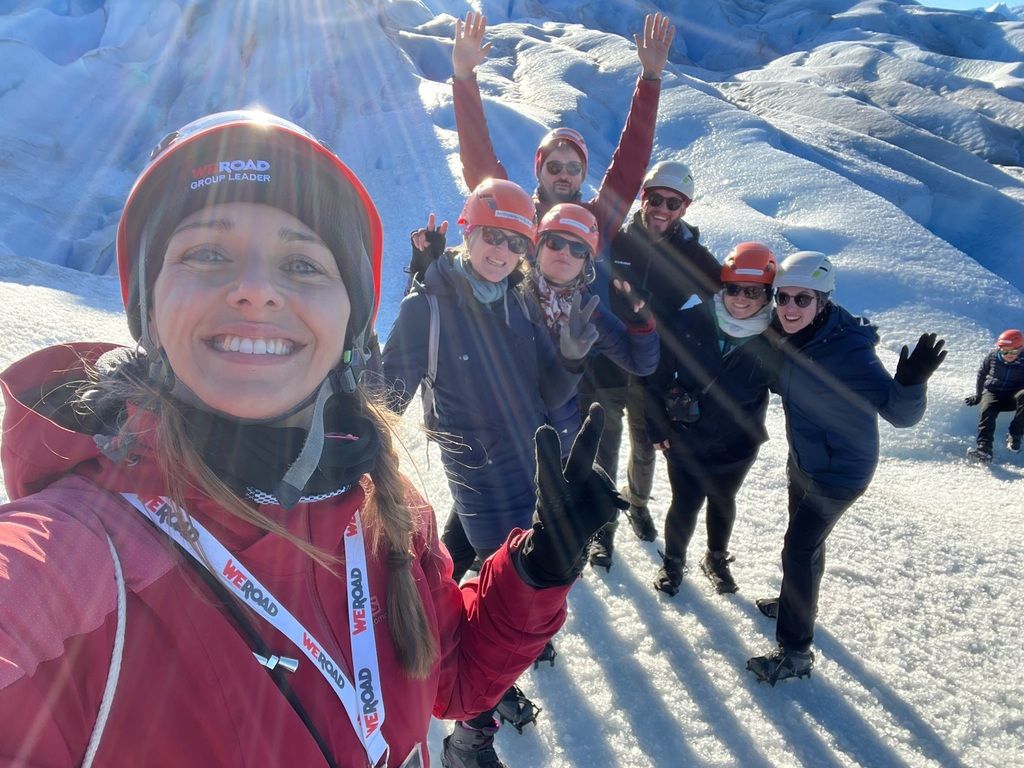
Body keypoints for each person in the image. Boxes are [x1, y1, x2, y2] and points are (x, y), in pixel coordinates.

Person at [0, 111, 625, 767]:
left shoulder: (390, 512)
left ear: (347, 318)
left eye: (301, 262)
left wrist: (536, 571)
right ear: (149, 305)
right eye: (206, 252)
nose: (255, 290)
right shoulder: (78, 558)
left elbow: (451, 679)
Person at [380, 179, 602, 767]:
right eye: (490, 236)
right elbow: (383, 404)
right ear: (468, 230)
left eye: (513, 241)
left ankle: (451, 658)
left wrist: (573, 361)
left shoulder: (519, 304)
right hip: (481, 481)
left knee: (462, 576)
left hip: (525, 470)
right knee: (513, 599)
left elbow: (548, 395)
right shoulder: (425, 310)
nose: (499, 252)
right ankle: (469, 740)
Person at [748, 251, 946, 686]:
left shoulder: (848, 353)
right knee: (806, 547)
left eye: (804, 299)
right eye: (783, 298)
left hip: (841, 473)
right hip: (804, 461)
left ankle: (795, 652)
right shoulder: (787, 336)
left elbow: (899, 415)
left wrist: (912, 384)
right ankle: (793, 601)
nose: (790, 308)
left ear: (824, 302)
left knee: (798, 549)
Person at [581, 159, 721, 569]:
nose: (662, 208)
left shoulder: (692, 255)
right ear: (643, 197)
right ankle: (602, 530)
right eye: (655, 198)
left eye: (673, 203)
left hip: (654, 370)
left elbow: (735, 295)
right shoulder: (617, 241)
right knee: (604, 448)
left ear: (685, 208)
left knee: (645, 447)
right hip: (606, 363)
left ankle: (638, 504)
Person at [451, 10, 673, 245]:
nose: (564, 175)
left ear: (583, 174)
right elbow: (478, 159)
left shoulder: (596, 220)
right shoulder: (516, 214)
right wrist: (464, 76)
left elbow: (630, 161)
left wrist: (650, 77)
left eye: (573, 168)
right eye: (554, 167)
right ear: (539, 170)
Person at [644, 243, 779, 596]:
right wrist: (656, 425)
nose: (741, 298)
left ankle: (715, 558)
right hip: (685, 437)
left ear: (767, 294)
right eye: (733, 288)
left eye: (752, 291)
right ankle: (673, 562)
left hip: (737, 445)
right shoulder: (691, 320)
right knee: (684, 504)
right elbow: (654, 377)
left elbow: (800, 383)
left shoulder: (776, 338)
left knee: (722, 501)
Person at [964, 329, 1024, 463]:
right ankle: (984, 449)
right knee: (987, 411)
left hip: (1014, 395)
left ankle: (1015, 435)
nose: (1008, 354)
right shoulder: (992, 356)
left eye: (1013, 351)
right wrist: (979, 395)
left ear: (1020, 349)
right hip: (994, 392)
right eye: (1004, 351)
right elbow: (981, 373)